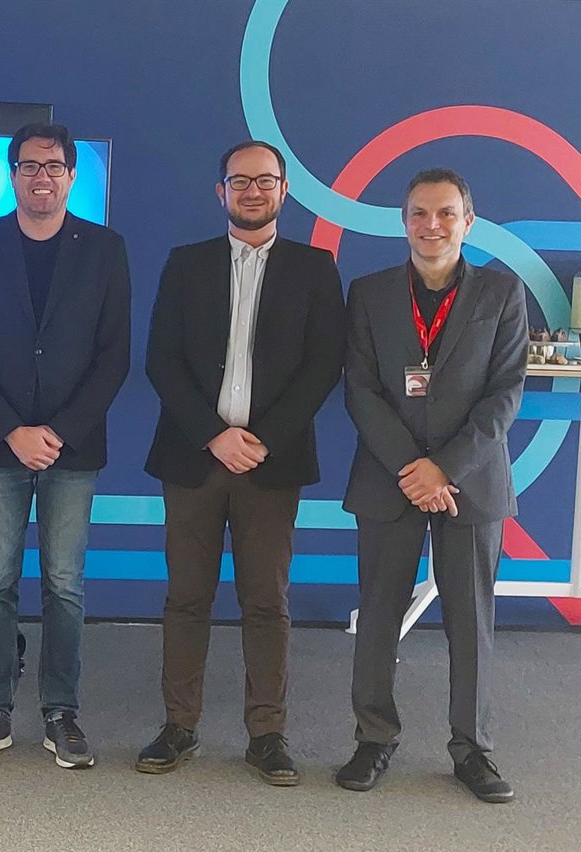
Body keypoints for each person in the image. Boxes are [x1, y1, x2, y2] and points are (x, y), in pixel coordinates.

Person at [137, 140, 345, 785]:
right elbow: (161, 359)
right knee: (186, 598)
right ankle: (179, 726)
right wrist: (213, 435)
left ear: (283, 190)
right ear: (220, 191)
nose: (252, 190)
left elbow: (324, 365)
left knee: (266, 602)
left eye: (264, 180)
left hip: (270, 463)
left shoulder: (315, 268)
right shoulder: (186, 263)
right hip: (194, 457)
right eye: (239, 180)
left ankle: (267, 734)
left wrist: (261, 439)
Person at [336, 168, 526, 803]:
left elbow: (505, 394)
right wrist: (413, 470)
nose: (432, 224)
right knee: (379, 614)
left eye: (446, 213)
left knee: (470, 621)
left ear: (468, 222)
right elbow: (360, 389)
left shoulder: (502, 293)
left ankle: (473, 748)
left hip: (470, 480)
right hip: (390, 476)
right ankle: (373, 737)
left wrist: (444, 468)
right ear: (404, 221)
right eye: (419, 212)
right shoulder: (369, 293)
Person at [0, 123, 131, 768]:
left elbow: (113, 356)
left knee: (64, 585)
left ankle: (61, 712)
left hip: (70, 449)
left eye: (53, 166)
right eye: (29, 166)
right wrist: (12, 430)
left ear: (72, 176)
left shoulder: (105, 249)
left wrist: (58, 432)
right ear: (12, 174)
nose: (41, 177)